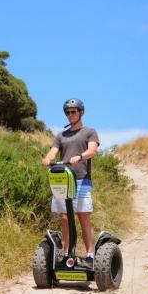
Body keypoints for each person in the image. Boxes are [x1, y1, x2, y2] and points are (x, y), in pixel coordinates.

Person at [41, 98, 100, 263]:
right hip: (63, 180)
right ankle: (67, 253)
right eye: (67, 112)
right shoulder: (61, 135)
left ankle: (89, 254)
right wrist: (47, 158)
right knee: (65, 218)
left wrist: (80, 156)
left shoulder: (90, 132)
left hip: (81, 179)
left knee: (83, 217)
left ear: (81, 112)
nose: (70, 114)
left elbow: (92, 150)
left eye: (73, 111)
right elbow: (53, 151)